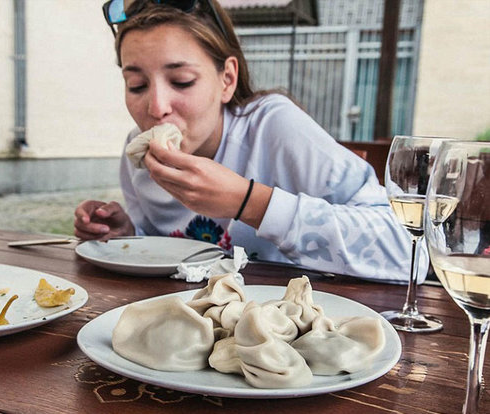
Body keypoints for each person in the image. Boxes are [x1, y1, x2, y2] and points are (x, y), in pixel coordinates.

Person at [74, 0, 423, 283]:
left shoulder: (275, 128)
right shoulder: (136, 153)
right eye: (136, 85)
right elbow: (163, 254)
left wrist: (250, 203)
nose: (156, 108)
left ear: (227, 79)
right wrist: (126, 231)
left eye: (181, 81)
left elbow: (409, 252)